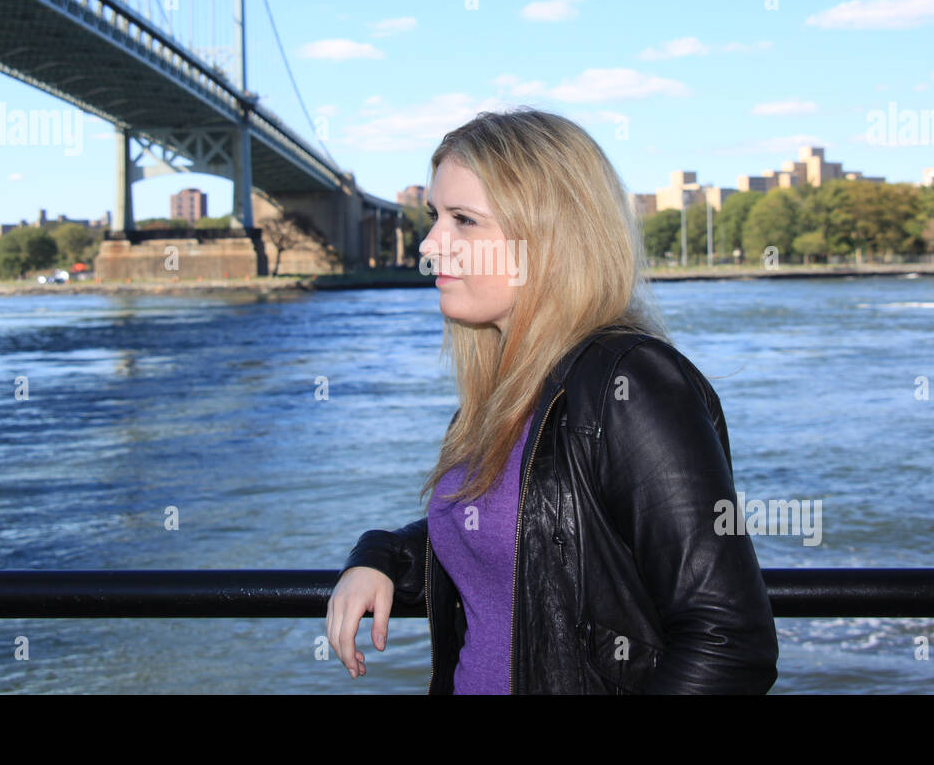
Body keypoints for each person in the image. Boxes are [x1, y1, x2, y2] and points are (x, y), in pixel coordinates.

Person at [325, 107, 778, 694]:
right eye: (436, 217)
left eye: (463, 221)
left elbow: (729, 640)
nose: (430, 244)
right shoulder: (501, 396)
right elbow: (517, 531)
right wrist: (383, 556)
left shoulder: (629, 384)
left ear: (548, 237)